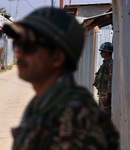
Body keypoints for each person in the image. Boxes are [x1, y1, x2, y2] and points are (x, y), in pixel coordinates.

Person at [3, 7, 118, 150]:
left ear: (57, 57)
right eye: (17, 45)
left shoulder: (78, 119)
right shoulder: (43, 102)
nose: (17, 55)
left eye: (27, 46)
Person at [93, 42, 113, 118]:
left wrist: (107, 96)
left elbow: (110, 80)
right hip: (102, 94)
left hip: (105, 95)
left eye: (102, 51)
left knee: (105, 116)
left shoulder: (110, 64)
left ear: (107, 52)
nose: (101, 53)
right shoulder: (105, 64)